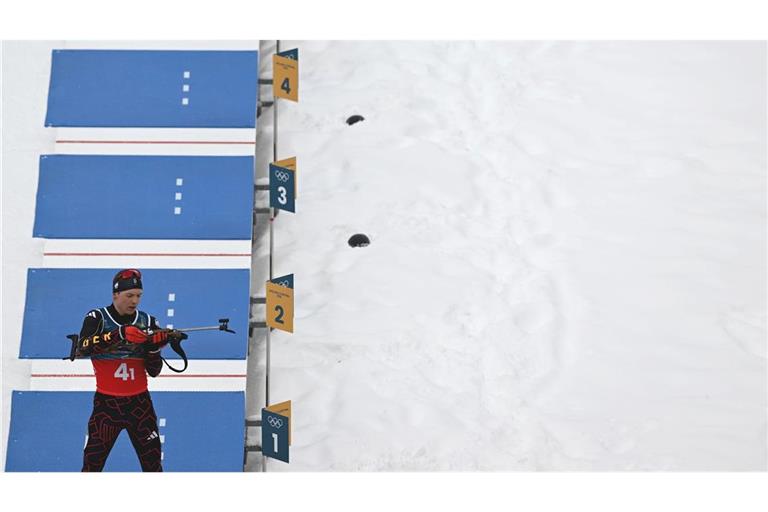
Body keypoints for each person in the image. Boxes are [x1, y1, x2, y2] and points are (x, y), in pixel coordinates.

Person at [75, 269, 186, 472]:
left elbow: (154, 371)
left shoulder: (148, 321)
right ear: (115, 294)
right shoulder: (97, 317)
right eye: (129, 295)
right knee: (92, 466)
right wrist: (118, 334)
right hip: (107, 407)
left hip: (140, 405)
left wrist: (153, 349)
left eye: (138, 296)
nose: (134, 301)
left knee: (153, 465)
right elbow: (81, 348)